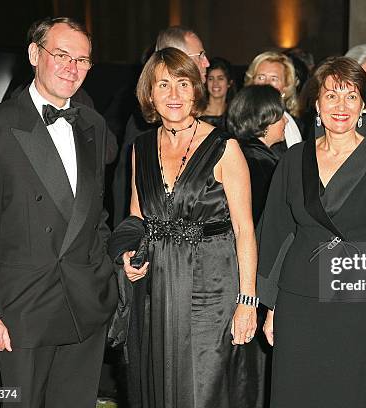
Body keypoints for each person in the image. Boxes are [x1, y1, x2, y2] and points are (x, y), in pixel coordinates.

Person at [0, 17, 118, 407]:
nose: (72, 67)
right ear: (34, 54)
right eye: (62, 55)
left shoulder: (94, 126)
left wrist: (109, 275)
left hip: (85, 301)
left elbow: (95, 214)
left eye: (82, 60)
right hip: (23, 308)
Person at [108, 47, 260, 408]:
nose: (174, 95)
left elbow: (244, 229)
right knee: (153, 381)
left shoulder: (226, 148)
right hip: (154, 288)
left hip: (211, 289)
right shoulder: (140, 148)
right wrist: (129, 254)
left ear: (196, 90)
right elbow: (135, 217)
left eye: (182, 84)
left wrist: (247, 300)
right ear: (149, 93)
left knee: (202, 387)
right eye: (163, 84)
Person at [257, 56, 366, 407]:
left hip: (353, 300)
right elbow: (276, 231)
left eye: (351, 96)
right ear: (316, 103)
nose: (341, 106)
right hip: (298, 297)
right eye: (331, 95)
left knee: (346, 395)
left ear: (364, 103)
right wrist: (271, 306)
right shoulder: (293, 159)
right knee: (293, 393)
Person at [112, 25, 210, 227]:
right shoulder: (146, 124)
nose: (206, 62)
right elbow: (125, 191)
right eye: (200, 55)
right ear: (177, 56)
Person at [226, 84, 286, 225]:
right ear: (265, 122)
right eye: (281, 116)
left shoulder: (242, 151)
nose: (286, 121)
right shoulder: (259, 163)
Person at [244, 51, 302, 152]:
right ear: (252, 82)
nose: (266, 84)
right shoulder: (241, 122)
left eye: (274, 79)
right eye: (261, 77)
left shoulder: (294, 125)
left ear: (286, 86)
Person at [201, 57, 236, 130]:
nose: (215, 83)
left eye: (220, 78)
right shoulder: (197, 114)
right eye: (211, 79)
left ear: (229, 83)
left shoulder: (236, 114)